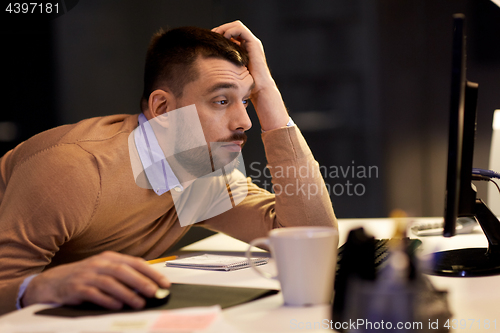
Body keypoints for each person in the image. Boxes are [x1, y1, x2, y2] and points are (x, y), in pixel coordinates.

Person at [0, 21, 336, 315]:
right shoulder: (75, 170)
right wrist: (40, 287)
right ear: (162, 107)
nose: (244, 122)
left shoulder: (200, 173)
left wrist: (269, 95)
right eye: (221, 101)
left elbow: (312, 238)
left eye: (246, 101)